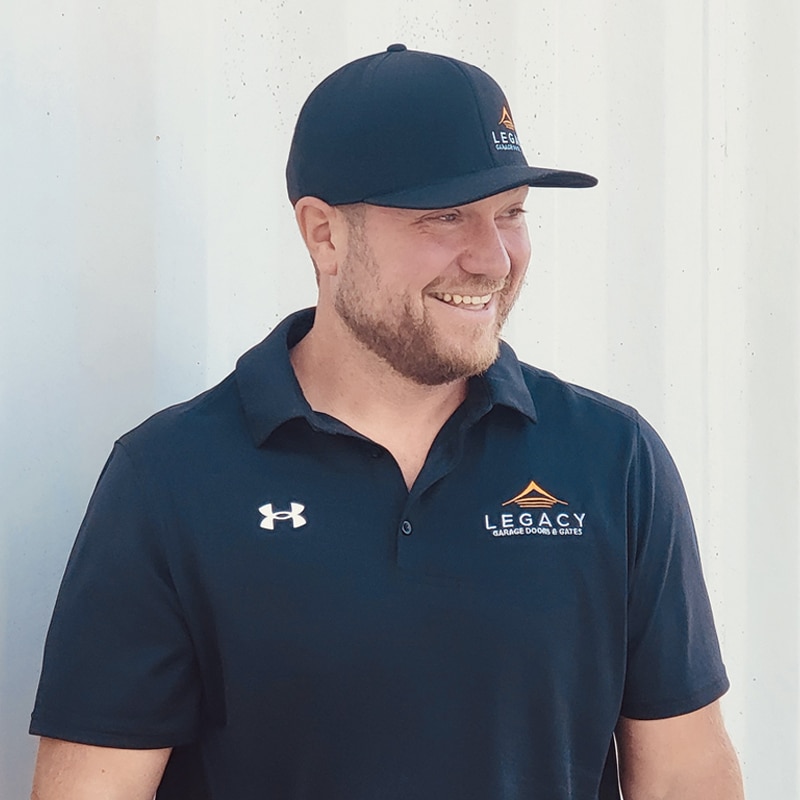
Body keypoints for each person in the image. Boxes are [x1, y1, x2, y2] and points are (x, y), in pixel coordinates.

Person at [29, 45, 744, 800]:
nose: (493, 259)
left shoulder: (611, 460)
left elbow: (684, 775)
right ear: (324, 234)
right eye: (445, 217)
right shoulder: (171, 479)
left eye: (511, 214)